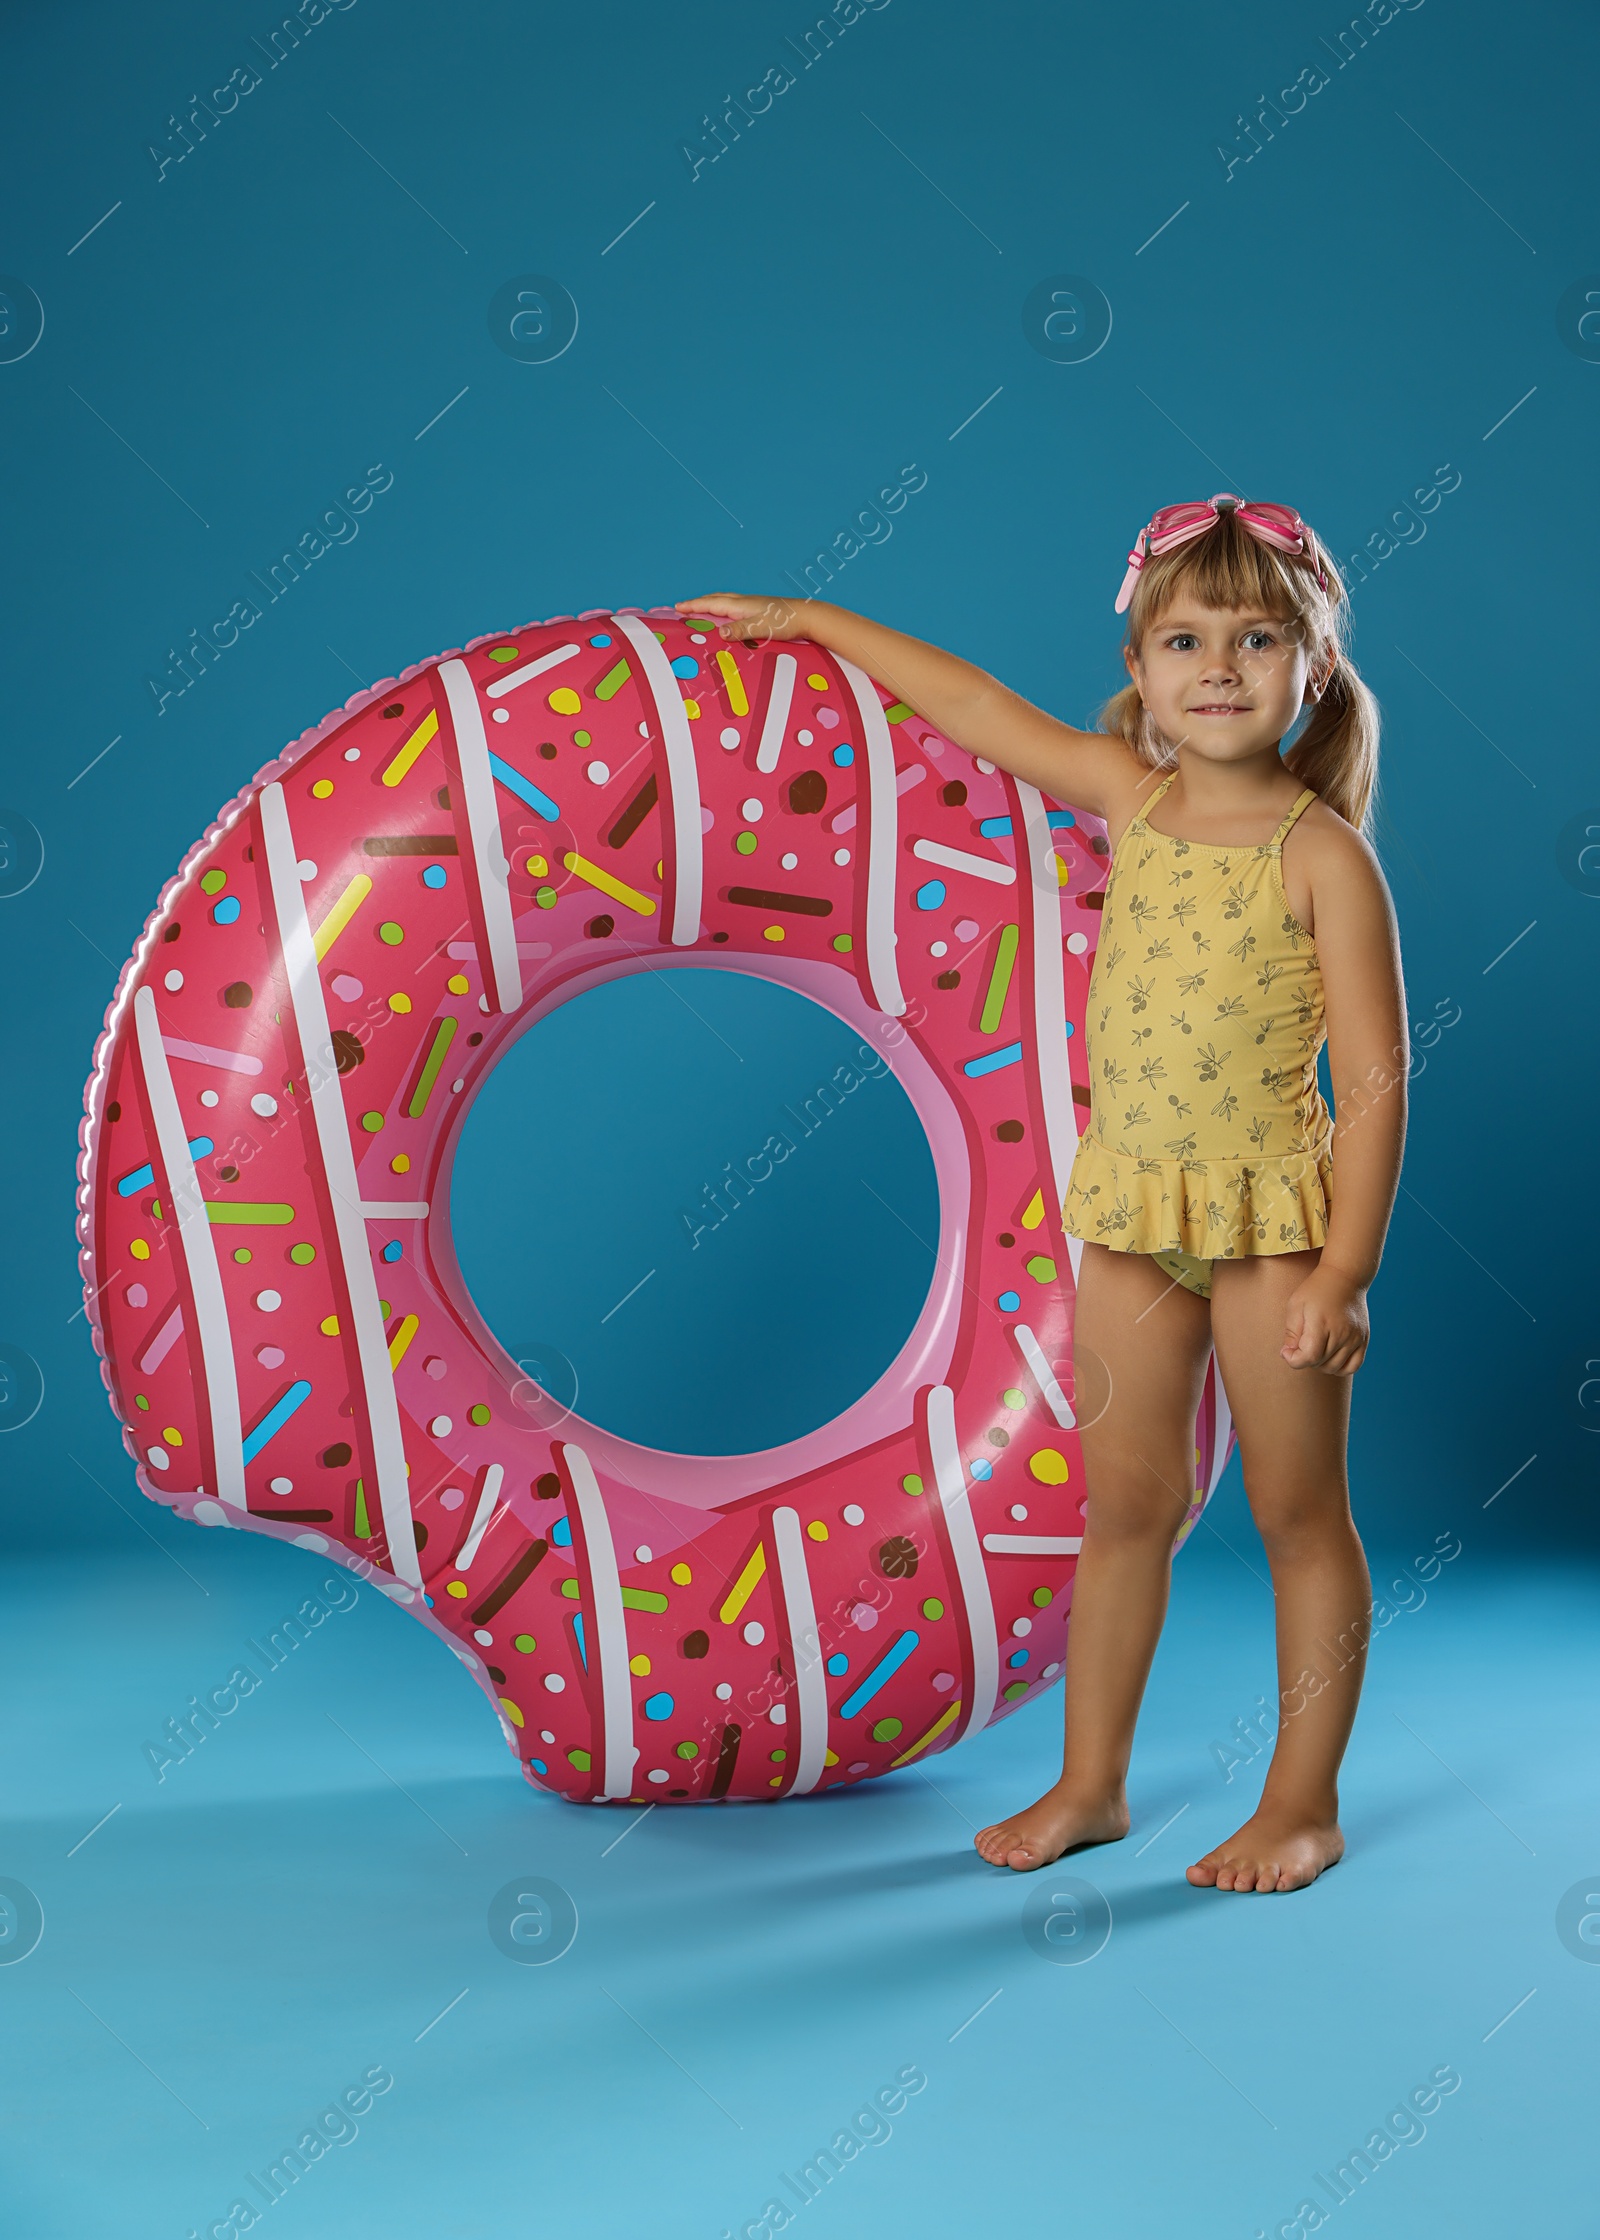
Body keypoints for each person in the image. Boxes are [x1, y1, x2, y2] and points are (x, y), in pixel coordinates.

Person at [679, 493, 1407, 1893]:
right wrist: (811, 618)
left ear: (1313, 669)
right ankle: (1092, 1787)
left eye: (1258, 640)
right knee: (1122, 1506)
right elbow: (970, 702)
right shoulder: (1131, 797)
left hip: (1271, 1228)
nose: (1218, 668)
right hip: (1133, 1215)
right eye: (1185, 639)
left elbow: (1378, 1074)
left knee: (1296, 1515)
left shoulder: (1322, 854)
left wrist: (1344, 1269)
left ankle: (1301, 1803)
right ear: (1139, 667)